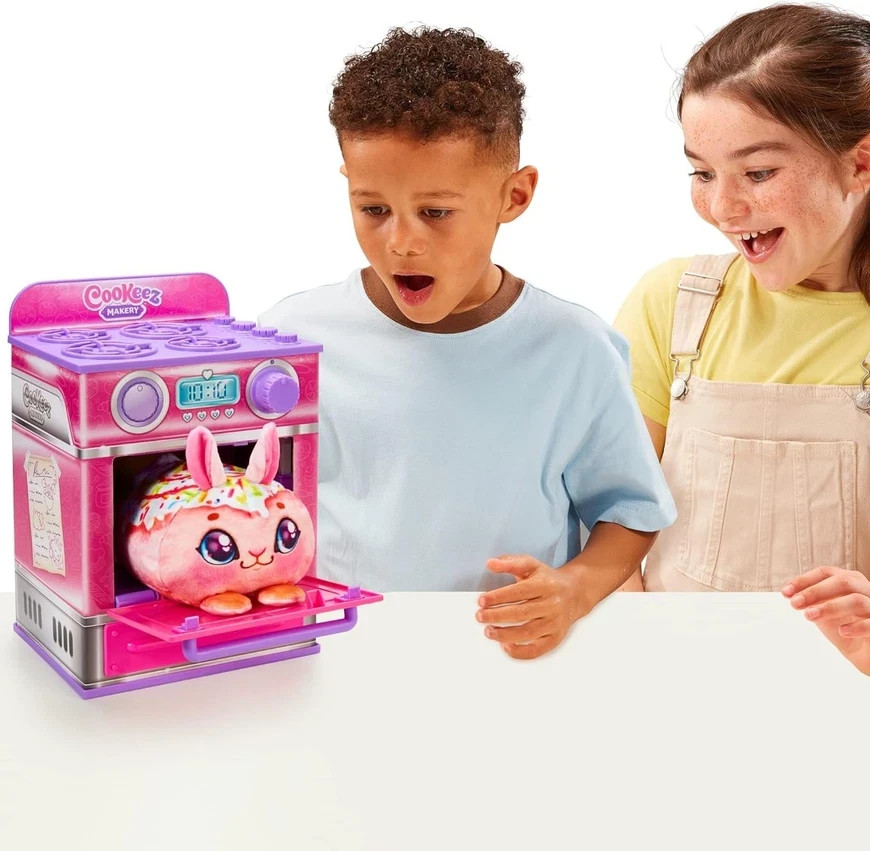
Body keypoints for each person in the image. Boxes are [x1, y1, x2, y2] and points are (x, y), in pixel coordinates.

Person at [259, 26, 676, 659]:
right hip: (335, 659)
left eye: (436, 212)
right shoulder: (292, 338)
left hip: (510, 661)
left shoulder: (576, 350)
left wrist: (574, 590)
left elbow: (630, 512)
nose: (402, 242)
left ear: (515, 195)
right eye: (373, 209)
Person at [615, 3, 870, 676]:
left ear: (862, 163)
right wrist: (643, 650)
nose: (723, 208)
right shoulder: (672, 306)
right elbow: (609, 533)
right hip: (674, 684)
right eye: (702, 173)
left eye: (758, 172)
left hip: (857, 703)